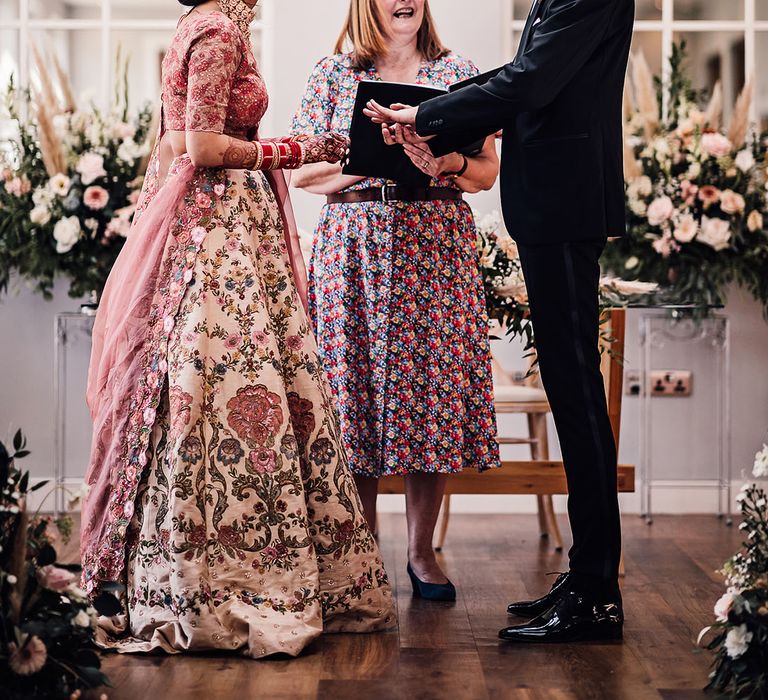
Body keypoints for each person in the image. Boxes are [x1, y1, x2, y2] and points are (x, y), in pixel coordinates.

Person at [80, 0, 395, 659]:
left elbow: (173, 143)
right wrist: (296, 149)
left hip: (216, 220)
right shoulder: (216, 29)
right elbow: (200, 147)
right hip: (217, 231)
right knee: (234, 388)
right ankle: (232, 584)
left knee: (205, 390)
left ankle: (175, 575)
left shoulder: (196, 26)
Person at [365, 0, 634, 641]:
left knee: (576, 395)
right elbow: (522, 75)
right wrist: (430, 114)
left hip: (564, 208)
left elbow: (530, 80)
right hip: (553, 209)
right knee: (572, 393)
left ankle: (597, 592)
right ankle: (587, 574)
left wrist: (426, 115)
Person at [291, 0, 500, 602]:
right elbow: (304, 174)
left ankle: (420, 553)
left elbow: (485, 173)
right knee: (351, 395)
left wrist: (439, 160)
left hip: (435, 246)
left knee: (429, 395)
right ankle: (359, 556)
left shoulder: (456, 73)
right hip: (353, 248)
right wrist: (375, 157)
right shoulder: (333, 74)